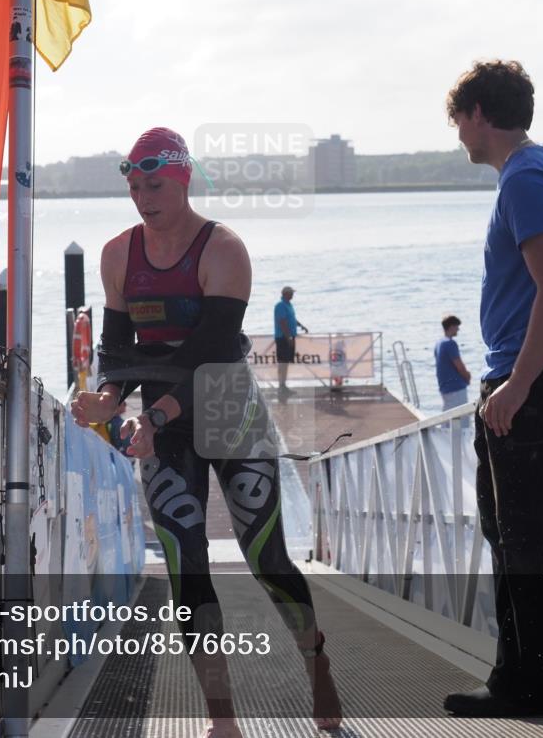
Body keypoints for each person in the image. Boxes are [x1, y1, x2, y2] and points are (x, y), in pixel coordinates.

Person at [70, 128, 342, 738]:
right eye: (134, 186)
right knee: (186, 570)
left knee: (267, 559)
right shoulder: (118, 255)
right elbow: (118, 354)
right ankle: (223, 719)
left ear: (184, 179)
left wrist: (155, 415)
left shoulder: (223, 249)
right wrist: (107, 400)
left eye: (155, 184)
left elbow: (211, 354)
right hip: (165, 419)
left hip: (227, 406)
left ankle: (316, 658)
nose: (143, 197)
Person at [442, 61, 543, 717]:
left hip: (533, 378)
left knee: (524, 531)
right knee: (512, 529)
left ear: (479, 113)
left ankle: (530, 682)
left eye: (457, 119)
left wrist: (517, 386)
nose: (456, 133)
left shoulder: (527, 179)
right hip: (531, 375)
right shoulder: (531, 174)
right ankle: (531, 673)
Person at [274, 286, 308, 396]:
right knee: (282, 362)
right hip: (283, 338)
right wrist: (288, 337)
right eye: (291, 293)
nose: (292, 295)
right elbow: (282, 322)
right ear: (285, 294)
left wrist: (301, 325)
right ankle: (281, 386)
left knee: (286, 362)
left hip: (289, 337)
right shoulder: (280, 305)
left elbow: (291, 319)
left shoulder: (289, 305)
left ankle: (283, 385)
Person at [434, 314, 471, 410]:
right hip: (456, 387)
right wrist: (467, 376)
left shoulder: (439, 343)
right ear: (451, 326)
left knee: (448, 418)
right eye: (457, 326)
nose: (458, 329)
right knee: (462, 419)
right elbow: (459, 366)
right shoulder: (450, 343)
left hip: (444, 387)